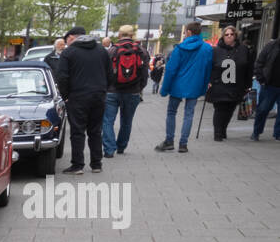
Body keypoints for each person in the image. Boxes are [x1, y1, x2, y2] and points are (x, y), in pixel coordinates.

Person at [56, 25, 114, 174]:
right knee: (95, 130)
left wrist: (66, 95)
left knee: (77, 131)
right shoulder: (102, 50)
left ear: (71, 38)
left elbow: (62, 77)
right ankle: (96, 164)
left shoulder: (68, 52)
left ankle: (78, 165)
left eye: (67, 40)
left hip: (77, 96)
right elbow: (110, 74)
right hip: (98, 96)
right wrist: (103, 90)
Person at [156, 20, 213, 152]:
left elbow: (171, 70)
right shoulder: (207, 48)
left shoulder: (180, 48)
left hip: (177, 85)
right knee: (189, 114)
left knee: (172, 112)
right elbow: (208, 69)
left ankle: (169, 140)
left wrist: (164, 89)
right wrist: (204, 86)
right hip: (195, 85)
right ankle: (183, 144)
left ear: (188, 32)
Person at [101, 24, 150, 157]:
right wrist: (139, 88)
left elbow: (104, 72)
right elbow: (145, 74)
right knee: (127, 121)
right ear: (132, 35)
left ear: (119, 35)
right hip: (132, 91)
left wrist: (105, 88)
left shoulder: (111, 51)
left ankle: (109, 150)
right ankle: (121, 147)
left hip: (112, 91)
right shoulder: (142, 51)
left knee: (108, 120)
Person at [205, 25, 252, 141]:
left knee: (230, 109)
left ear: (236, 36)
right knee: (220, 109)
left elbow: (248, 68)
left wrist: (248, 84)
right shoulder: (216, 50)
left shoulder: (243, 49)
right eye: (227, 34)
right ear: (223, 36)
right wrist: (209, 81)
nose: (229, 36)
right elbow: (209, 67)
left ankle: (223, 129)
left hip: (236, 85)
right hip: (219, 85)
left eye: (232, 34)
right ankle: (217, 133)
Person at [251, 34, 280, 140]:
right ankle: (256, 132)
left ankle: (278, 133)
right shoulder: (271, 46)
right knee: (263, 110)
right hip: (269, 85)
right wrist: (261, 79)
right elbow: (259, 63)